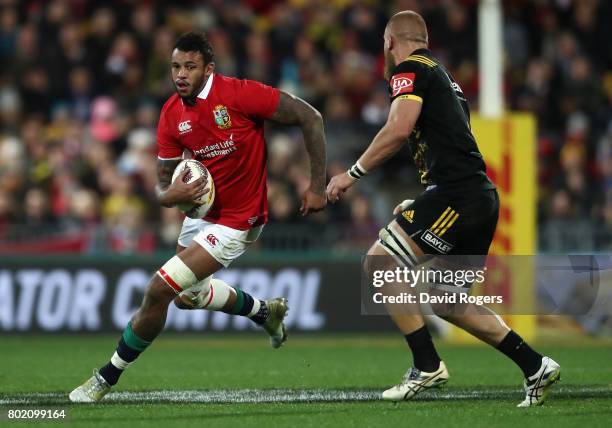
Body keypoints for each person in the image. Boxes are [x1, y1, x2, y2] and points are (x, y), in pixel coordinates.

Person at [70, 31, 327, 403]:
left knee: (158, 289)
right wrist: (169, 195)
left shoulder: (240, 94)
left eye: (189, 66)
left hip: (241, 218)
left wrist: (316, 186)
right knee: (187, 298)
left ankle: (106, 377)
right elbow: (162, 183)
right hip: (203, 213)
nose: (180, 74)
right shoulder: (171, 113)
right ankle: (263, 312)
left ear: (208, 69)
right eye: (175, 66)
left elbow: (311, 116)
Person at [326, 11, 560, 407]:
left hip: (456, 196)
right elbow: (449, 147)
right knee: (446, 298)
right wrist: (424, 199)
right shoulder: (446, 78)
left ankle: (426, 364)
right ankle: (535, 365)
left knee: (378, 265)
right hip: (475, 196)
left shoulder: (410, 70)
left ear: (389, 43)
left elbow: (399, 129)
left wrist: (351, 174)